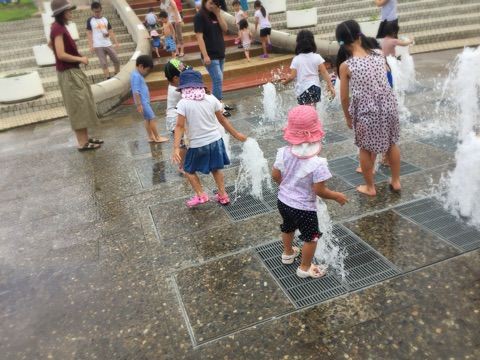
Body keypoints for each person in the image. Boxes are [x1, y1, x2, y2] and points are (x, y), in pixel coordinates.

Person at [272, 105, 348, 278]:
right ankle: (305, 268)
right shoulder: (318, 163)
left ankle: (288, 253)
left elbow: (275, 175)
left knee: (288, 227)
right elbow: (319, 190)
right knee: (311, 238)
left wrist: (286, 187)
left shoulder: (282, 153)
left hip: (283, 201)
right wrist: (336, 196)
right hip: (304, 209)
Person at [336, 20, 401, 196]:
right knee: (392, 143)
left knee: (365, 148)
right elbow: (387, 77)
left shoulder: (346, 66)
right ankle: (396, 181)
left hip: (366, 111)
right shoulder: (379, 54)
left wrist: (348, 117)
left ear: (340, 42)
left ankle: (370, 187)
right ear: (359, 36)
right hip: (389, 106)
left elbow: (343, 97)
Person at [172, 69, 247, 207]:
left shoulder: (183, 103)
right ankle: (223, 195)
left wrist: (176, 148)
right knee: (216, 168)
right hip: (215, 141)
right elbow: (223, 120)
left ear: (183, 88)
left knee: (188, 170)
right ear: (200, 85)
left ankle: (201, 195)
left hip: (197, 144)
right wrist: (236, 134)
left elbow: (179, 126)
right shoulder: (211, 99)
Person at [49, 0, 103, 152]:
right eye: (68, 11)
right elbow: (60, 54)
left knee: (82, 105)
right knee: (77, 107)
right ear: (62, 13)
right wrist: (80, 59)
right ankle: (82, 143)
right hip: (69, 73)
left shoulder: (58, 28)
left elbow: (50, 44)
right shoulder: (58, 28)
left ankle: (85, 139)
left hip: (71, 72)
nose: (71, 13)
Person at [194, 0, 234, 117]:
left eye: (214, 3)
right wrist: (205, 55)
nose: (212, 5)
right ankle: (217, 109)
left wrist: (218, 14)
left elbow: (225, 29)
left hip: (220, 53)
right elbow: (199, 37)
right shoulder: (200, 16)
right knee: (218, 79)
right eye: (210, 2)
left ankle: (219, 103)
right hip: (210, 56)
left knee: (218, 81)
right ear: (205, 2)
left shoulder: (215, 14)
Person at [282, 30, 335, 106]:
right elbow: (324, 72)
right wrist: (330, 85)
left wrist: (284, 82)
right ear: (312, 43)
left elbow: (292, 76)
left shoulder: (296, 59)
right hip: (316, 88)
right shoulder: (317, 57)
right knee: (313, 110)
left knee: (305, 113)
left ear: (298, 44)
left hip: (303, 89)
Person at [130, 55, 169, 144]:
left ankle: (151, 137)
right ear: (140, 66)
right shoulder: (136, 76)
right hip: (143, 102)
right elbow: (136, 91)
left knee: (147, 119)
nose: (146, 72)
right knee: (152, 118)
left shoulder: (135, 74)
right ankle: (157, 137)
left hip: (143, 102)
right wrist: (139, 104)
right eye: (146, 70)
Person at [87, 1, 120, 80]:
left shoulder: (105, 19)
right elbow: (89, 33)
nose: (97, 13)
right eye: (95, 12)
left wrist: (116, 42)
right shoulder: (90, 20)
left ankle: (116, 75)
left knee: (117, 60)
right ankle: (108, 78)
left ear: (101, 10)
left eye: (98, 11)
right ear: (92, 10)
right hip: (98, 45)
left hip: (108, 43)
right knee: (104, 63)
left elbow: (110, 31)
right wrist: (91, 45)